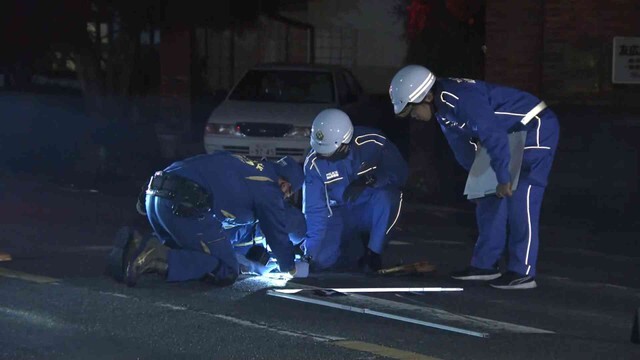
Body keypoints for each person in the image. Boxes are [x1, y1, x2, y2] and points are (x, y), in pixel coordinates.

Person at [389, 65, 559, 289]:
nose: (415, 117)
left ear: (427, 96)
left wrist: (504, 178)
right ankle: (485, 265)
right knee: (488, 198)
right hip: (507, 136)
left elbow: (492, 134)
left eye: (413, 110)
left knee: (522, 197)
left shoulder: (461, 97)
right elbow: (461, 148)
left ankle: (522, 271)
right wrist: (479, 183)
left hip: (535, 126)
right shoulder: (442, 110)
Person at [121, 152, 307, 287]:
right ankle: (156, 256)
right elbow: (275, 231)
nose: (284, 197)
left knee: (188, 248)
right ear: (285, 184)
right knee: (227, 270)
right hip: (184, 204)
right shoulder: (269, 188)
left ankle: (140, 246)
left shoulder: (244, 164)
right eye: (288, 193)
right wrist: (290, 267)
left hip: (155, 195)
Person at [302, 108, 408, 272]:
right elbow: (315, 211)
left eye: (328, 153)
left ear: (345, 143)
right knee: (321, 260)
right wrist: (309, 255)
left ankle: (374, 252)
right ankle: (352, 250)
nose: (322, 157)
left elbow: (400, 173)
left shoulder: (373, 142)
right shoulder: (313, 163)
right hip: (338, 214)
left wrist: (370, 180)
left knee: (388, 197)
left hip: (367, 208)